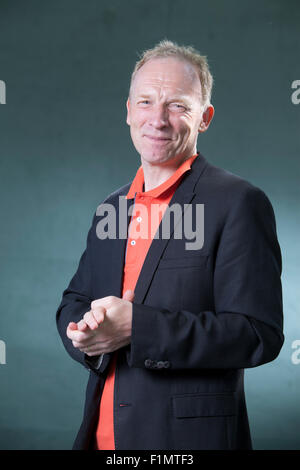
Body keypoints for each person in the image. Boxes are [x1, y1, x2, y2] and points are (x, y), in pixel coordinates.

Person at [56, 40, 284, 450]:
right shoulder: (112, 207)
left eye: (177, 105)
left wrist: (138, 327)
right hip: (100, 439)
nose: (157, 119)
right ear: (128, 111)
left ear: (205, 118)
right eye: (145, 101)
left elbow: (257, 333)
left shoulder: (238, 203)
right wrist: (86, 333)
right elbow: (75, 299)